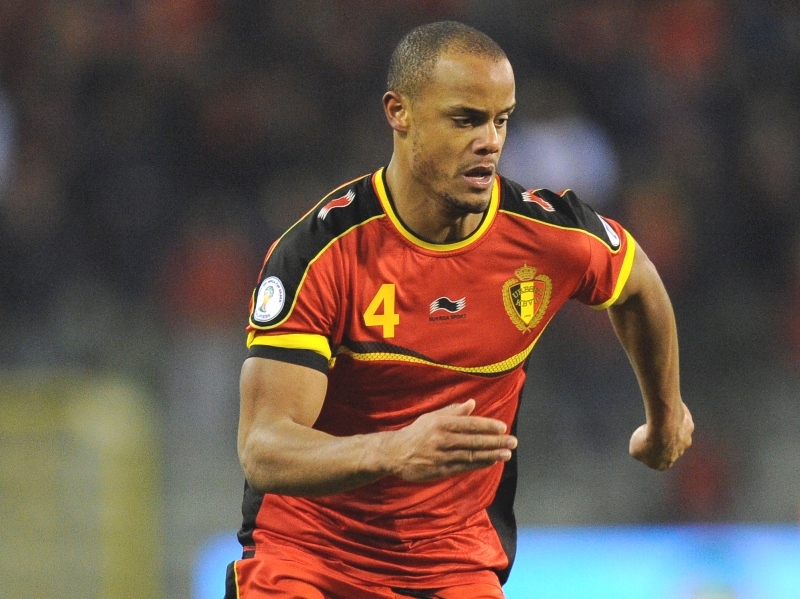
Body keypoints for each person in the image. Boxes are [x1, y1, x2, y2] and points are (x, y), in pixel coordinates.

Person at [226, 20, 694, 599]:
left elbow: (638, 283)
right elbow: (264, 447)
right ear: (399, 112)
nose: (490, 141)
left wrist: (664, 416)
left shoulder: (548, 235)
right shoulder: (320, 254)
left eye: (502, 120)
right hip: (307, 558)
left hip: (452, 566)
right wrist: (392, 449)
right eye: (465, 119)